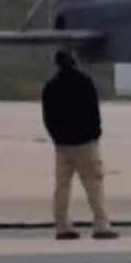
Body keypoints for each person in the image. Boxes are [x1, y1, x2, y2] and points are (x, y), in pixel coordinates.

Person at [41, 50, 118, 240]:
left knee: (62, 186)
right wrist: (95, 134)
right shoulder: (84, 82)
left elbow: (48, 118)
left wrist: (57, 137)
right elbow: (94, 111)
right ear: (74, 62)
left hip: (63, 145)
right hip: (85, 143)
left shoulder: (50, 87)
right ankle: (101, 224)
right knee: (94, 185)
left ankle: (62, 225)